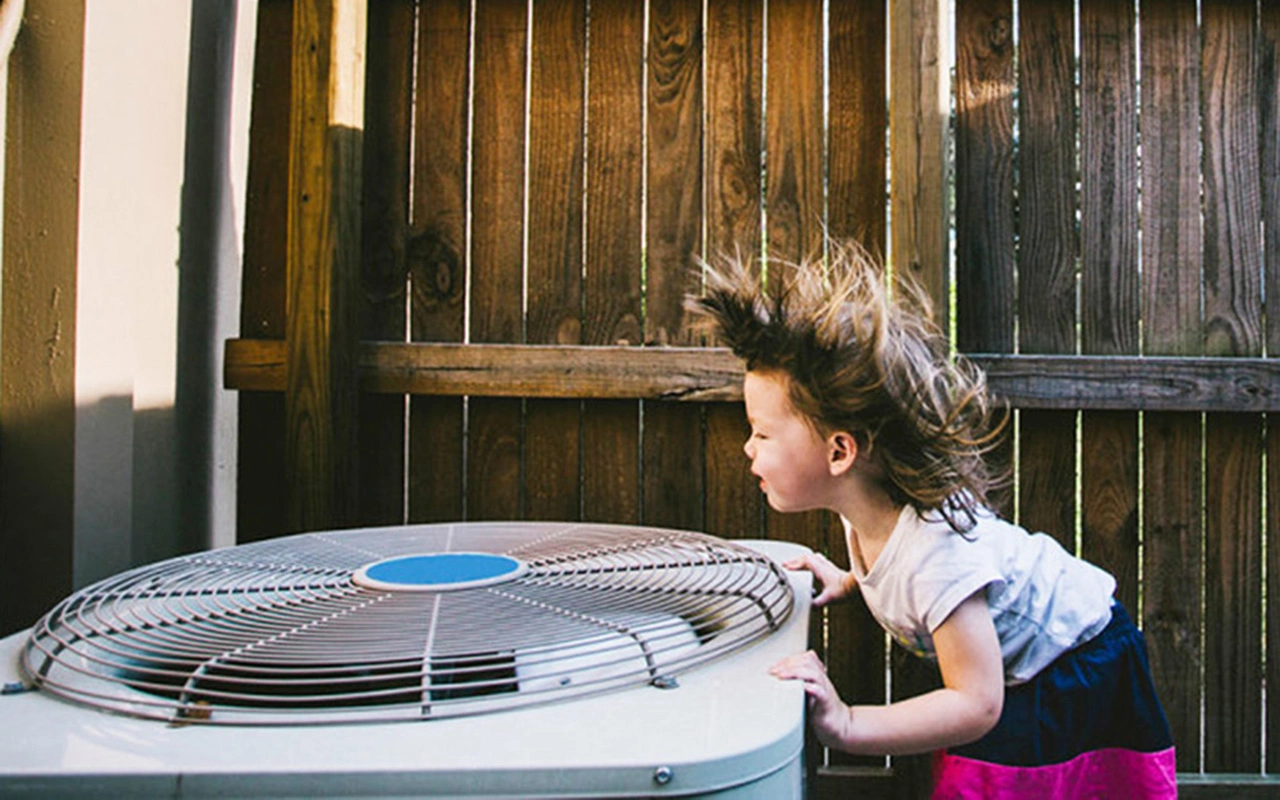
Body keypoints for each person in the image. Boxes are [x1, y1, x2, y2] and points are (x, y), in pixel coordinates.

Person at [685, 242, 1176, 799]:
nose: (748, 448)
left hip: (1071, 668)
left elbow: (976, 703)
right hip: (1010, 675)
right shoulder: (870, 509)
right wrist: (847, 581)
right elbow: (898, 573)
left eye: (763, 432)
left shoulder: (938, 556)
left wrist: (847, 723)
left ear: (840, 452)